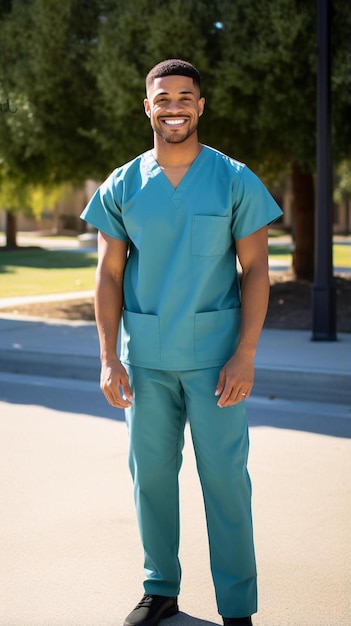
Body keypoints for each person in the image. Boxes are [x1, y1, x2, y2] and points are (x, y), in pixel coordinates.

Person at [81, 59, 283, 626]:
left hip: (218, 361)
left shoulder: (235, 179)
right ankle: (160, 588)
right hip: (145, 358)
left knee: (225, 482)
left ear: (201, 105)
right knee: (151, 479)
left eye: (185, 97)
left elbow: (257, 271)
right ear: (147, 107)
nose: (174, 106)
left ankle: (238, 607)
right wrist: (106, 358)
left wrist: (245, 353)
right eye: (163, 97)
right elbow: (109, 275)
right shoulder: (122, 185)